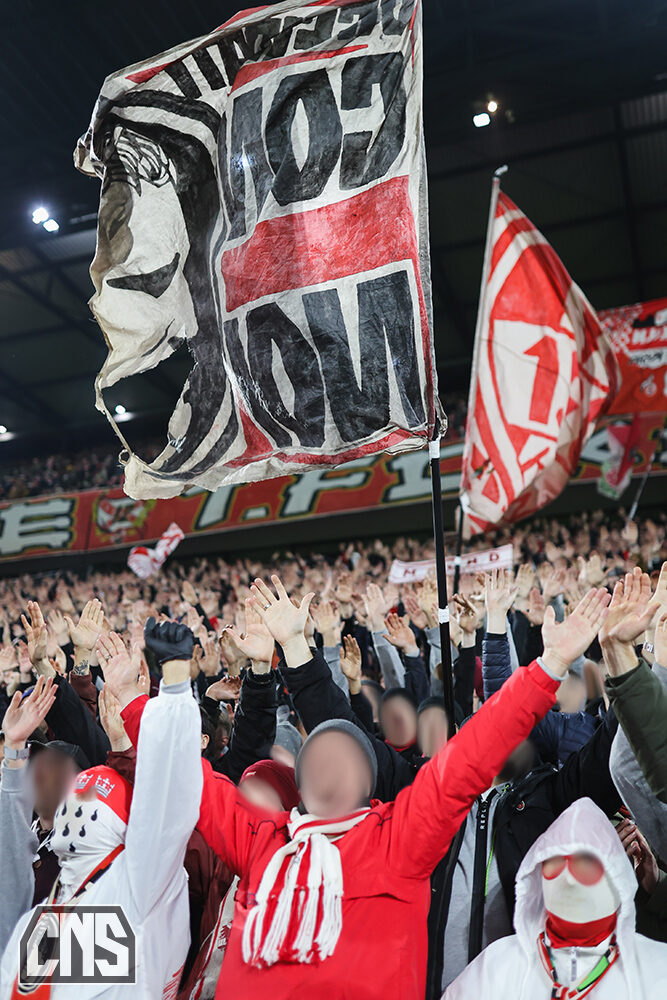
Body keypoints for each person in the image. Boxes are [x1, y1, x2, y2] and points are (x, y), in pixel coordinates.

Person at [117, 572, 605, 999]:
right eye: (319, 754)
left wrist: (548, 667)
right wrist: (148, 696)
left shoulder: (401, 838)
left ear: (369, 782)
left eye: (344, 754)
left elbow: (475, 750)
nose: (329, 761)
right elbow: (185, 779)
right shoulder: (266, 842)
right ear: (301, 780)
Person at [0, 622, 202, 999]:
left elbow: (171, 798)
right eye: (73, 800)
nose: (75, 810)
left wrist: (175, 684)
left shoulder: (139, 884)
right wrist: (13, 751)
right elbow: (9, 875)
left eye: (92, 800)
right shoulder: (48, 907)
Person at [443, 798, 667, 999]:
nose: (568, 878)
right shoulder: (496, 966)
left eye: (585, 864)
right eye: (555, 863)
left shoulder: (657, 970)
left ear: (615, 873)